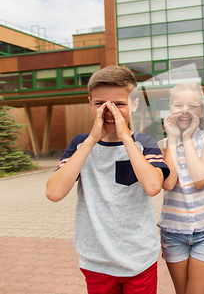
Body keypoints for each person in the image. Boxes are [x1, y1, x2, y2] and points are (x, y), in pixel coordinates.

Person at [46, 65, 170, 294]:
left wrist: (125, 136)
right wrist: (92, 140)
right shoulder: (80, 144)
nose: (109, 111)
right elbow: (54, 192)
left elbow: (154, 186)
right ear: (90, 104)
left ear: (134, 104)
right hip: (96, 260)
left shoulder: (145, 142)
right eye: (100, 104)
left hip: (139, 258)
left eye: (119, 104)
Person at [157, 82, 204, 294]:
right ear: (169, 109)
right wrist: (173, 139)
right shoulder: (162, 145)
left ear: (202, 111)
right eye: (178, 105)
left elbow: (201, 180)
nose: (185, 111)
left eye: (192, 106)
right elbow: (168, 183)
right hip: (173, 232)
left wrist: (187, 138)